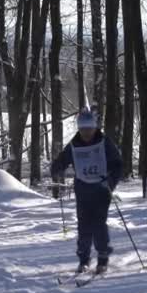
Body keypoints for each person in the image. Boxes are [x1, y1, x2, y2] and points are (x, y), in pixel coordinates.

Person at [51, 108, 122, 274]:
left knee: (98, 224)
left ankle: (103, 258)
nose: (86, 133)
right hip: (82, 189)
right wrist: (57, 167)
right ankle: (84, 259)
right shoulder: (74, 144)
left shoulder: (104, 142)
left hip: (102, 189)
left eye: (89, 129)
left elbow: (117, 164)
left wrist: (111, 182)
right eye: (83, 129)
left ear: (95, 128)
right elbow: (64, 158)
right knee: (83, 226)